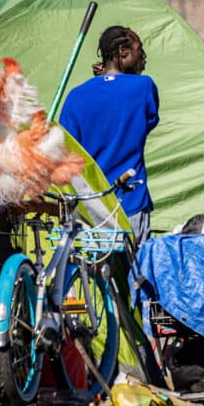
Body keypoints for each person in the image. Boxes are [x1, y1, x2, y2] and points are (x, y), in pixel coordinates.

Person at [59, 26, 159, 246]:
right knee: (133, 276)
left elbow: (66, 146)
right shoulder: (144, 87)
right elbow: (148, 121)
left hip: (90, 209)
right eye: (138, 50)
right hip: (131, 202)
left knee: (95, 277)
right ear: (123, 52)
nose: (143, 57)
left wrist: (101, 80)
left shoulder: (76, 97)